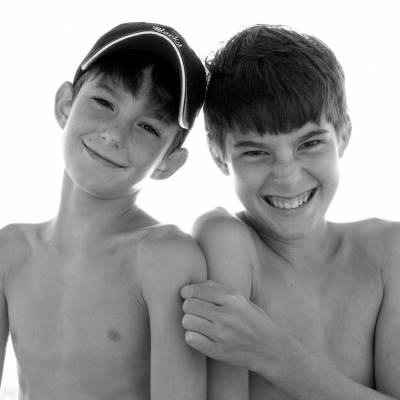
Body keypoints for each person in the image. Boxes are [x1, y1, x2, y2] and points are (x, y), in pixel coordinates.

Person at [181, 24, 400, 399]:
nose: (287, 176)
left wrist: (274, 354)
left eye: (310, 143)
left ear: (343, 134)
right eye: (255, 152)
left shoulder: (388, 252)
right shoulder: (227, 242)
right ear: (218, 154)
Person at [0, 22, 207, 400]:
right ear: (65, 104)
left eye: (147, 127)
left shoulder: (164, 258)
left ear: (169, 162)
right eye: (104, 102)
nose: (114, 133)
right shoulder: (10, 251)